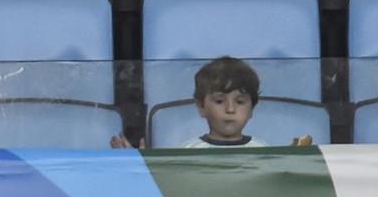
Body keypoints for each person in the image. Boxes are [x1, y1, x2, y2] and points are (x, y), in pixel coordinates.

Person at [110, 56, 266, 149]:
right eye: (219, 101)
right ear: (201, 107)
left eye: (240, 102)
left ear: (252, 108)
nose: (230, 109)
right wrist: (139, 164)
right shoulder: (188, 152)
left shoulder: (265, 152)